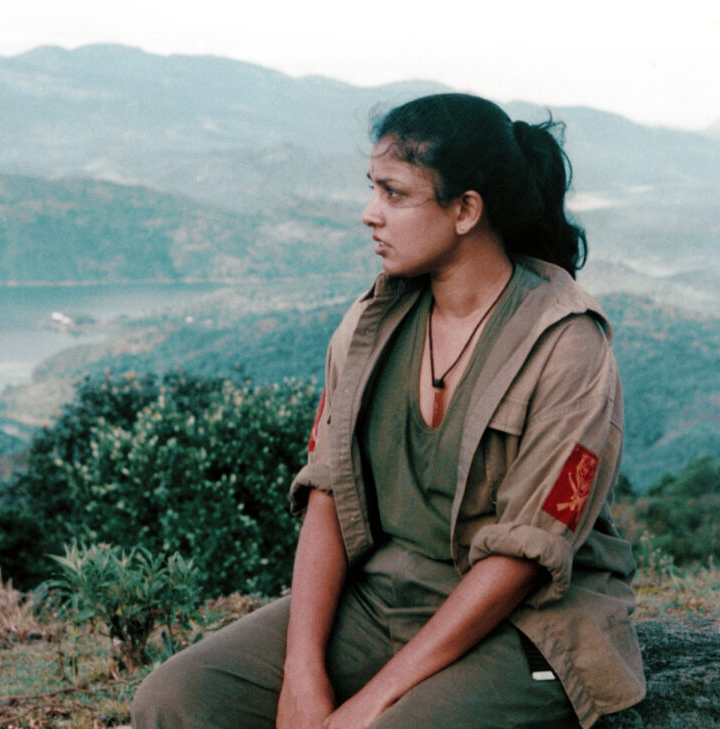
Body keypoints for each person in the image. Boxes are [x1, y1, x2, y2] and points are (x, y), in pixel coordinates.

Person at [131, 93, 644, 729]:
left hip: (525, 623)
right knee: (175, 699)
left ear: (466, 210)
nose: (370, 214)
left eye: (394, 194)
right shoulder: (371, 324)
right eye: (373, 189)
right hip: (382, 600)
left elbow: (524, 558)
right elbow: (327, 492)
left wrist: (372, 701)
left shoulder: (565, 342)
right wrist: (302, 673)